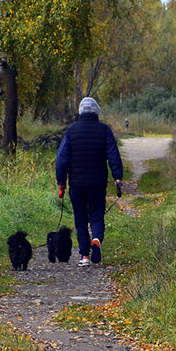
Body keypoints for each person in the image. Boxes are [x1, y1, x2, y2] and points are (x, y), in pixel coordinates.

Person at [55, 97, 124, 267]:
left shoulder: (71, 131)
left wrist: (61, 182)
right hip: (97, 183)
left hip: (77, 184)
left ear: (80, 111)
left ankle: (84, 255)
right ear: (96, 112)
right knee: (96, 215)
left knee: (80, 219)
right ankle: (96, 240)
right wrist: (117, 177)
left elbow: (62, 159)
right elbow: (113, 155)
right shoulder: (104, 130)